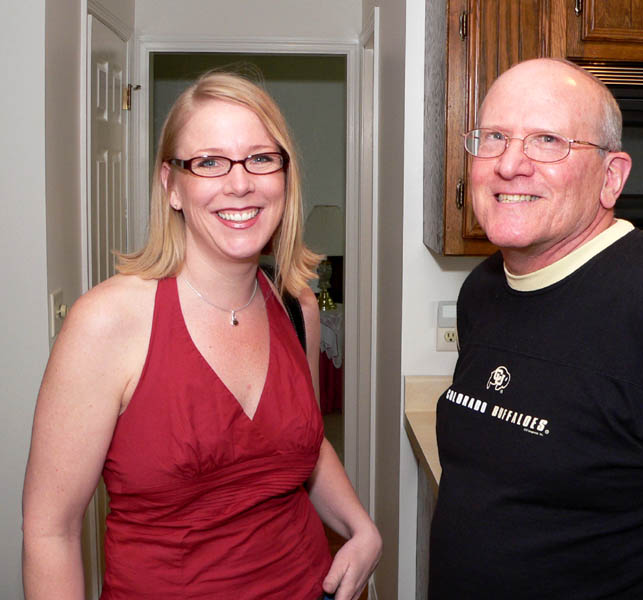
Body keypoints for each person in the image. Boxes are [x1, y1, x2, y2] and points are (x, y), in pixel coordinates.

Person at [428, 57, 643, 599]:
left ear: (611, 177)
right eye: (494, 137)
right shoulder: (483, 290)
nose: (510, 164)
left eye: (547, 141)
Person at [22, 71, 381, 600]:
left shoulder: (295, 307)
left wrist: (362, 528)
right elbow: (50, 531)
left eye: (260, 158)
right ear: (171, 185)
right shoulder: (107, 322)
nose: (240, 183)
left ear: (285, 176)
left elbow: (304, 442)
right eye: (209, 162)